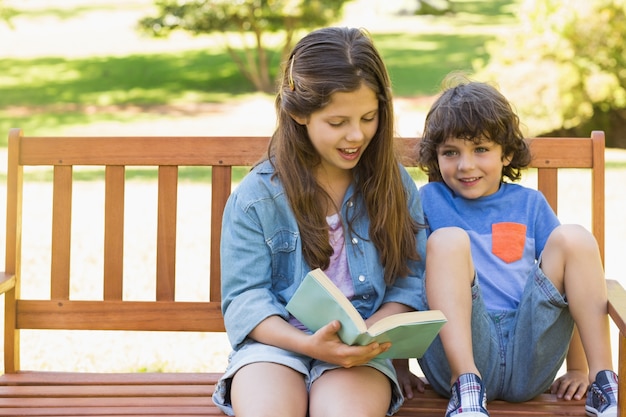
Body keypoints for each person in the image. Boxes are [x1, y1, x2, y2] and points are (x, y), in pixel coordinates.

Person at [212, 26, 427, 417]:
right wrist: (310, 345)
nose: (356, 135)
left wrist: (370, 333)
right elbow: (245, 299)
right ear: (298, 112)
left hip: (358, 352)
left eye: (368, 117)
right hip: (274, 347)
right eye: (337, 122)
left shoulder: (393, 185)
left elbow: (409, 280)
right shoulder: (257, 197)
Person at [394, 75, 618, 417]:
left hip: (530, 351)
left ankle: (604, 381)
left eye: (481, 149)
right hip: (458, 356)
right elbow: (405, 280)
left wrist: (578, 368)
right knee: (448, 240)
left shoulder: (530, 204)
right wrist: (397, 366)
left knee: (573, 237)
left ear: (507, 153)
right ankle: (466, 385)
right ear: (435, 157)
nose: (466, 165)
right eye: (451, 152)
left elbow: (569, 288)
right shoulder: (427, 201)